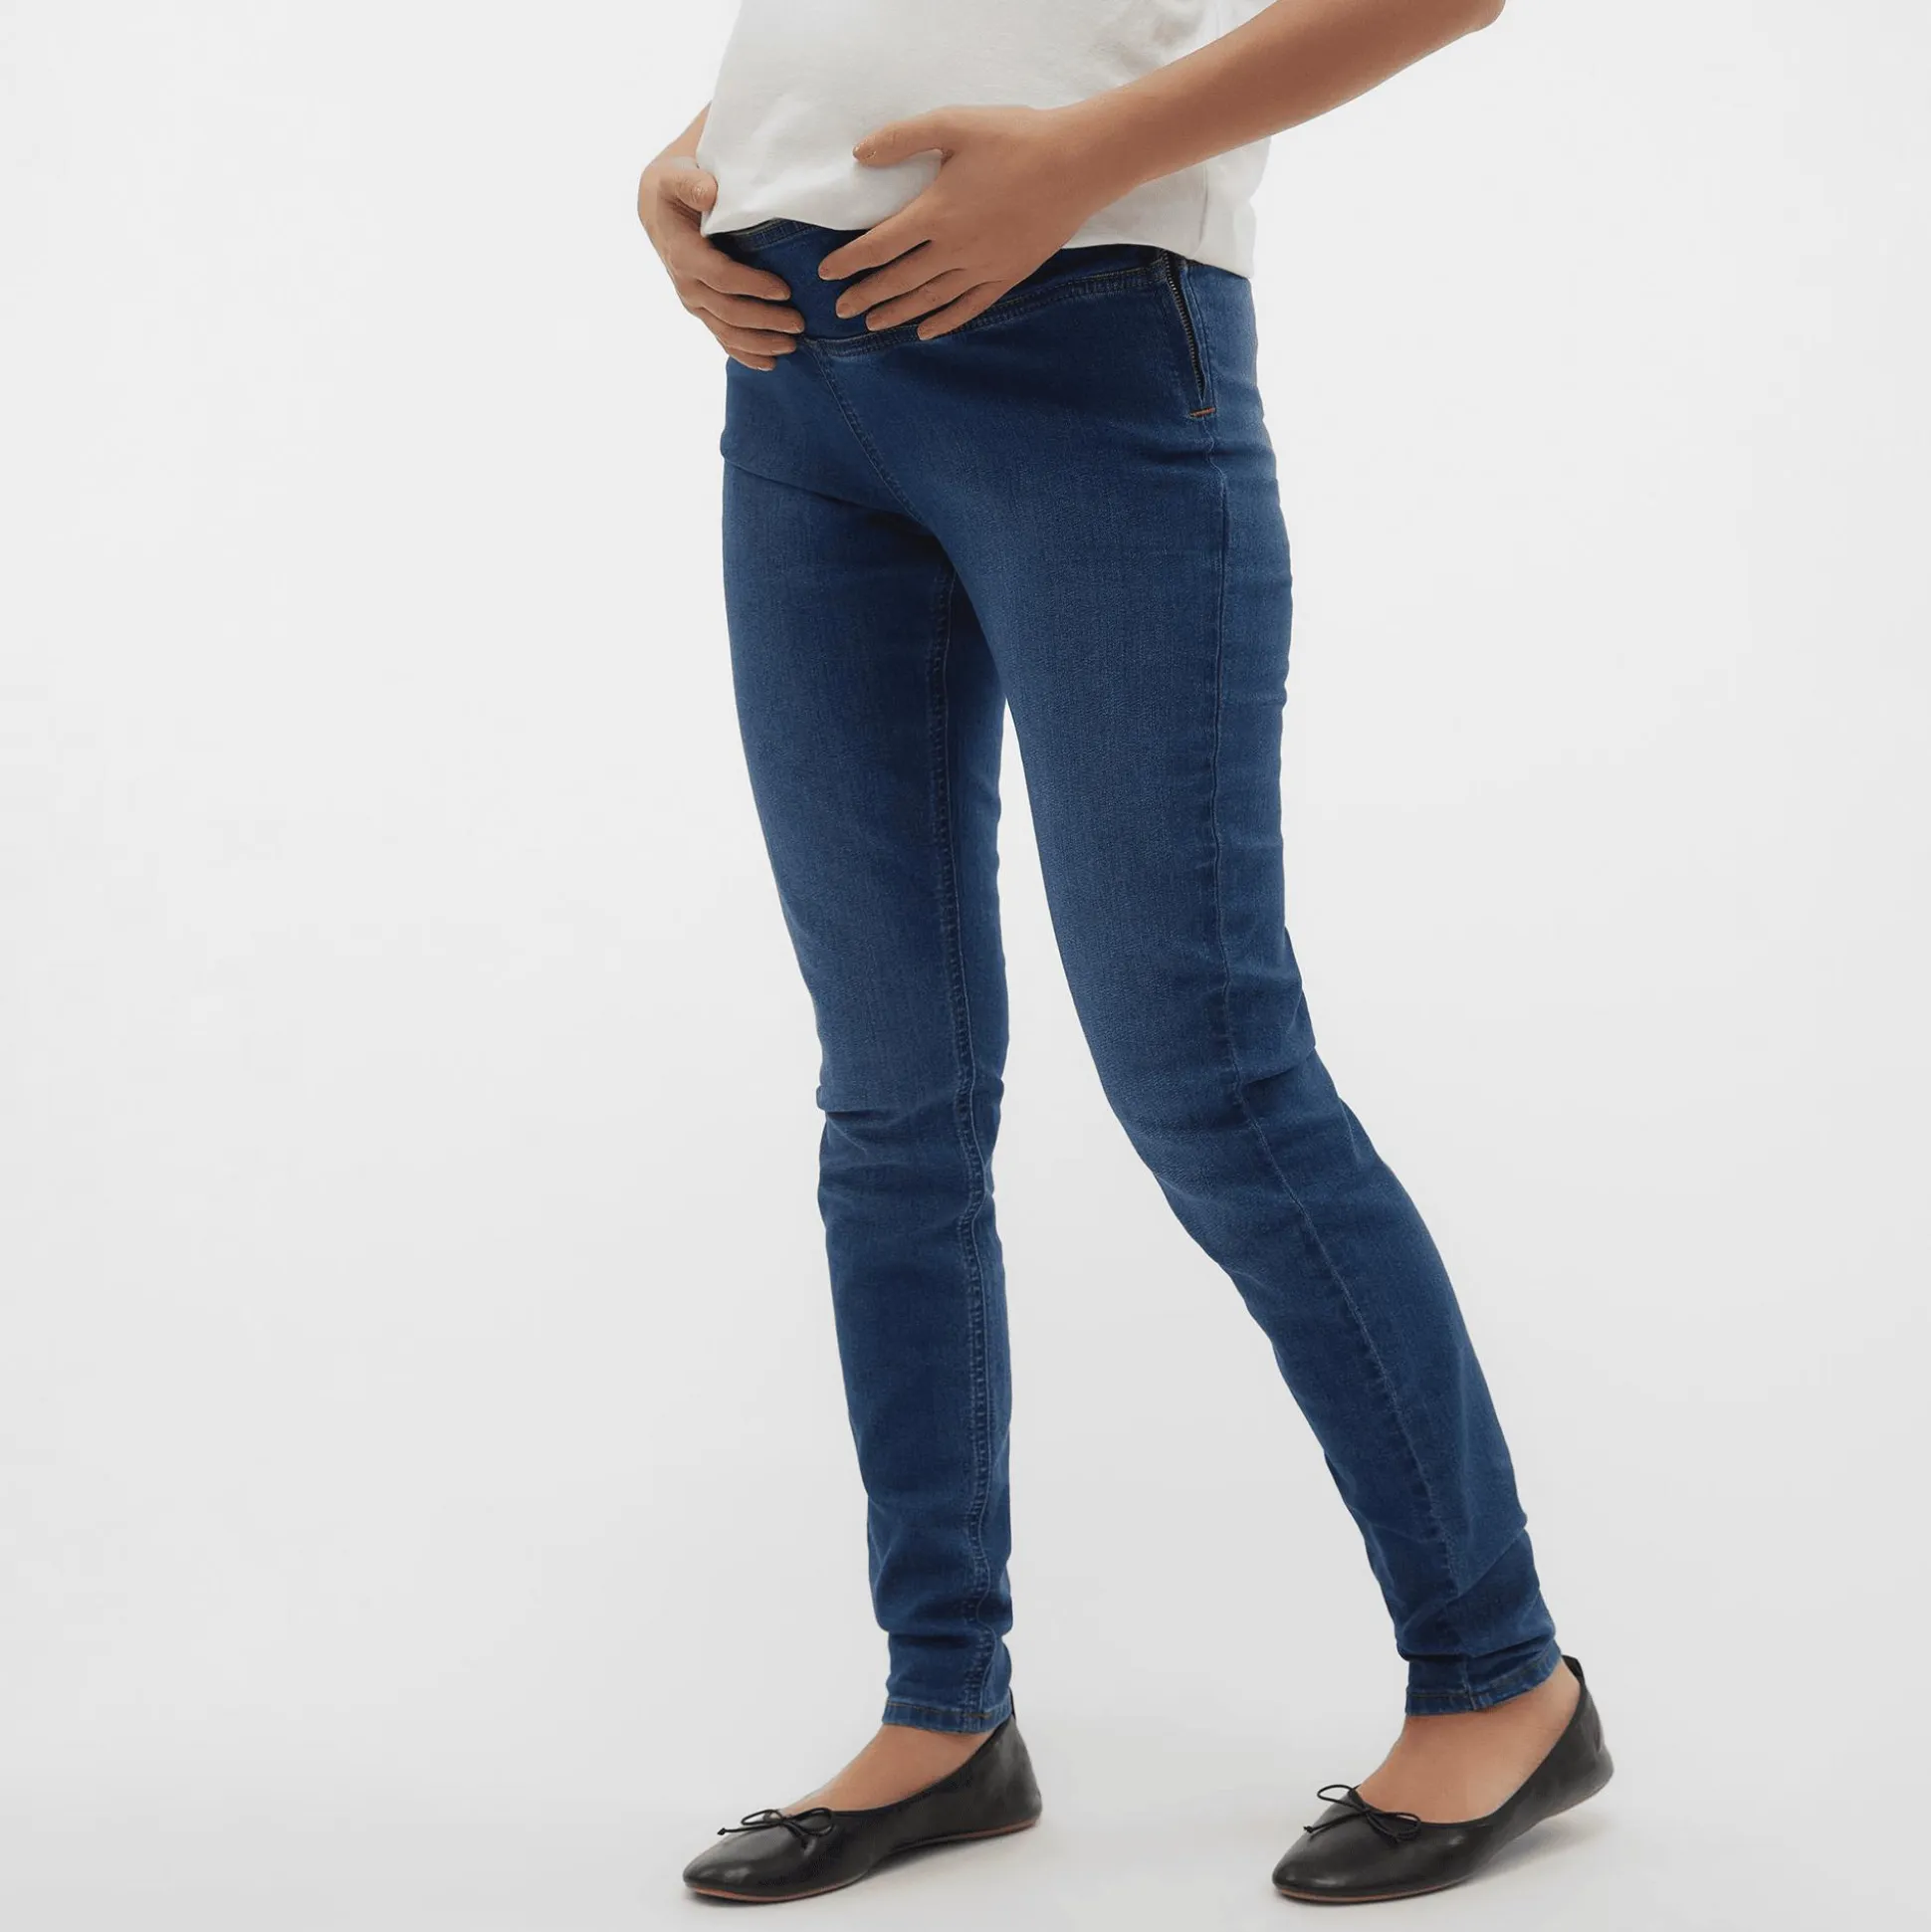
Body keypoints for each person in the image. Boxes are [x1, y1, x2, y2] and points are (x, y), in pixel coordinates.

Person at [639, 0, 1610, 1905]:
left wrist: (1086, 158)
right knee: (893, 1099)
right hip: (795, 386)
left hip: (1080, 342)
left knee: (1211, 1075)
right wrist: (712, 152)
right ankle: (943, 1711)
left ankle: (1503, 1676)